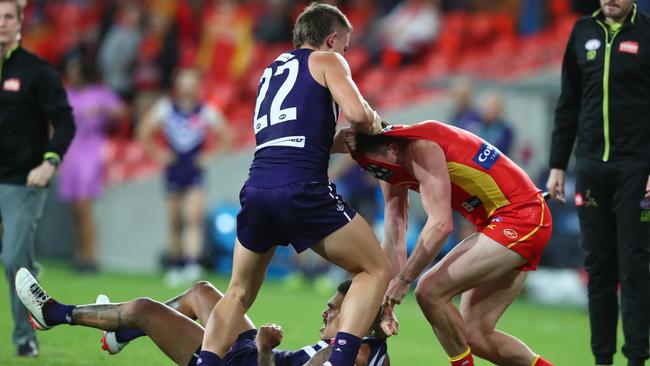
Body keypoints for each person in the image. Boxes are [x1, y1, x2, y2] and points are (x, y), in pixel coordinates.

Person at [198, 4, 392, 366]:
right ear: (331, 40)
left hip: (257, 186)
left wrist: (337, 141)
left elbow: (288, 134)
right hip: (301, 187)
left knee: (237, 293)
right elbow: (359, 114)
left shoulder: (270, 71)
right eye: (344, 47)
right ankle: (339, 361)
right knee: (375, 269)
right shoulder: (328, 61)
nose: (344, 55)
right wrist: (373, 123)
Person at [349, 121, 554, 366]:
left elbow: (440, 226)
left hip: (521, 218)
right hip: (502, 222)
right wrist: (384, 295)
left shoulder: (421, 147)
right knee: (475, 335)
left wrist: (403, 281)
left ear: (392, 146)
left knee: (429, 290)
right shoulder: (389, 167)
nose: (380, 173)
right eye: (372, 169)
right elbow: (394, 235)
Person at [546, 1, 650, 365]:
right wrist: (558, 163)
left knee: (635, 268)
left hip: (636, 169)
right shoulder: (582, 32)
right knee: (599, 269)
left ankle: (637, 359)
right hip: (590, 168)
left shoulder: (647, 33)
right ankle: (601, 360)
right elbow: (569, 101)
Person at [14, 268, 389, 366]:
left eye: (335, 308)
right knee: (203, 293)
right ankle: (121, 335)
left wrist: (263, 349)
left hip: (233, 362)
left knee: (143, 309)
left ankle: (54, 314)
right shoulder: (368, 347)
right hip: (248, 350)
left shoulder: (344, 356)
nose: (326, 310)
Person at [0, 0, 75, 357]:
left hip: (22, 183)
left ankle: (24, 337)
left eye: (7, 16)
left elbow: (65, 121)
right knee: (20, 258)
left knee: (13, 259)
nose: (1, 22)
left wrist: (50, 162)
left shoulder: (37, 71)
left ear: (20, 22)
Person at [138, 67, 233, 287]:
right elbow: (144, 131)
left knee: (194, 217)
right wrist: (158, 153)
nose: (187, 87)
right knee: (174, 220)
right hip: (174, 168)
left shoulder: (205, 111)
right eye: (184, 82)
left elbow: (226, 136)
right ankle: (175, 264)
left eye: (191, 82)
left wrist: (209, 157)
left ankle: (192, 264)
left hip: (194, 168)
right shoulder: (166, 109)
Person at [58, 55, 126, 273]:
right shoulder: (67, 93)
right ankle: (80, 254)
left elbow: (122, 112)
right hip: (71, 150)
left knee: (84, 206)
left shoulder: (100, 93)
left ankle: (91, 256)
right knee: (74, 209)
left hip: (91, 150)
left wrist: (101, 111)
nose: (71, 74)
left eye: (75, 70)